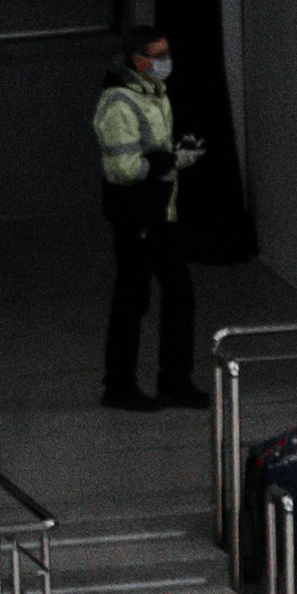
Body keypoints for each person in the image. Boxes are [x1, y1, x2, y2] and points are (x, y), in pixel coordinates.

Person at [93, 26, 207, 411]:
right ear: (139, 61)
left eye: (167, 53)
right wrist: (170, 161)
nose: (165, 62)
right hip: (135, 216)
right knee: (132, 299)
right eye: (158, 55)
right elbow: (124, 169)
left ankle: (175, 381)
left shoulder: (154, 94)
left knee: (180, 295)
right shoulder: (119, 104)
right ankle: (119, 385)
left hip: (161, 211)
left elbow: (153, 153)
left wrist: (175, 156)